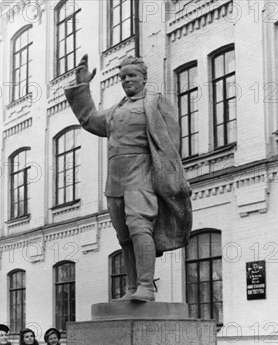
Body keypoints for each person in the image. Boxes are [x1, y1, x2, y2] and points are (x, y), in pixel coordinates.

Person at [64, 54, 192, 302]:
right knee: (123, 236)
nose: (126, 80)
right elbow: (89, 119)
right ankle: (132, 287)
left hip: (142, 173)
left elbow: (171, 145)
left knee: (139, 226)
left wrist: (171, 180)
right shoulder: (116, 110)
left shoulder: (156, 103)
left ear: (143, 77)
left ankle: (146, 286)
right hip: (116, 179)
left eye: (131, 75)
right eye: (123, 77)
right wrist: (82, 87)